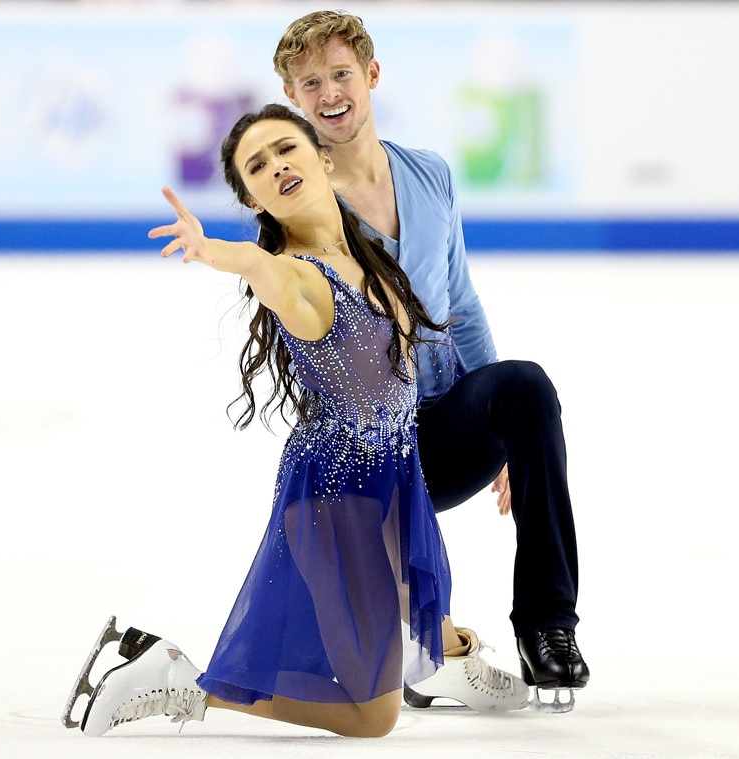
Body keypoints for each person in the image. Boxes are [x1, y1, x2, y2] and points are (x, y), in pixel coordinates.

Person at [62, 104, 530, 740]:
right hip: (338, 499)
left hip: (393, 472)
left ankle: (451, 655)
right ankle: (173, 681)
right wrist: (210, 251)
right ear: (255, 201)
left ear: (323, 159)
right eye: (257, 166)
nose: (277, 166)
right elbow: (260, 269)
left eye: (287, 149)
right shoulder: (297, 274)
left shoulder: (366, 253)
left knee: (415, 619)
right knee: (373, 717)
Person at [271, 11, 589, 709]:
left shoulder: (430, 175)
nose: (330, 92)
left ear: (372, 75)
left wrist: (504, 437)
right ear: (294, 96)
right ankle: (417, 630)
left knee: (526, 387)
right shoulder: (297, 210)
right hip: (367, 457)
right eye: (312, 82)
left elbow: (464, 304)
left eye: (341, 74)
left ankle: (548, 628)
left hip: (443, 428)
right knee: (383, 661)